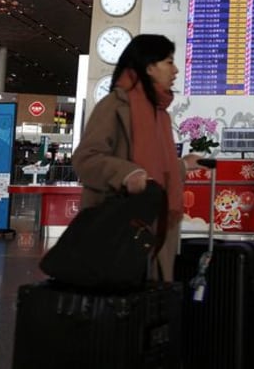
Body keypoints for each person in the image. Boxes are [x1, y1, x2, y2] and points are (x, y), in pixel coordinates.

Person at [72, 34, 200, 282]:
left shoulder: (160, 114)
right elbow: (86, 159)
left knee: (149, 307)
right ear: (149, 67)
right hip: (119, 230)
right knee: (121, 308)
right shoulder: (114, 106)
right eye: (169, 62)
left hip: (158, 229)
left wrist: (182, 166)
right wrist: (125, 174)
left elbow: (155, 170)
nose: (175, 70)